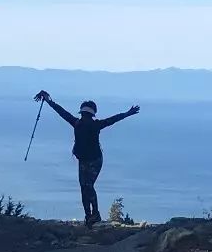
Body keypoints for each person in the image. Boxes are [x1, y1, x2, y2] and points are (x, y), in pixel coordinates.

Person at [34, 90, 140, 227]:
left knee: (87, 186)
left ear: (83, 113)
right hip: (90, 159)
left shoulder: (77, 123)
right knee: (85, 187)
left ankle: (93, 215)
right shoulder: (94, 124)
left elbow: (62, 112)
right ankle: (90, 216)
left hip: (90, 160)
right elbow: (113, 119)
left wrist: (49, 101)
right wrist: (127, 113)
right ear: (92, 114)